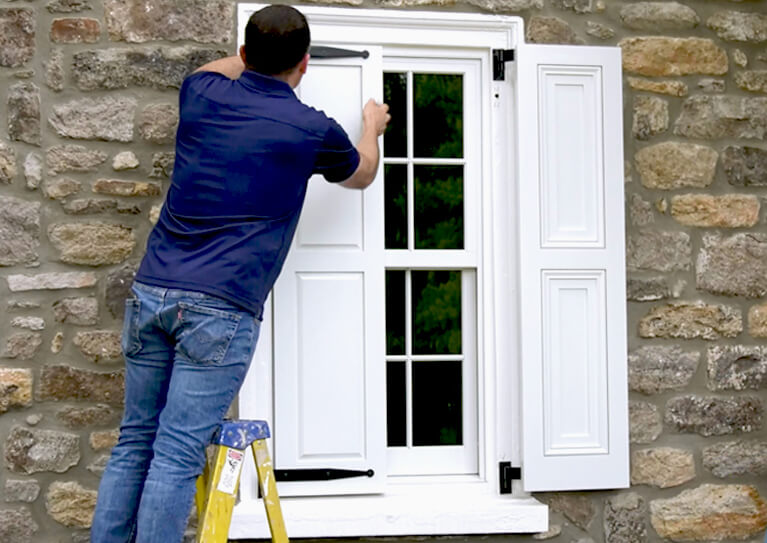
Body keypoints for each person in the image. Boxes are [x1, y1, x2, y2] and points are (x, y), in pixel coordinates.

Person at [90, 5, 390, 542]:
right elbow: (362, 173)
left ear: (246, 55)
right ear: (304, 63)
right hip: (219, 309)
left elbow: (219, 66)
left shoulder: (201, 94)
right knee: (177, 453)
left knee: (135, 440)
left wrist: (256, 56)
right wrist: (371, 127)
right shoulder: (311, 129)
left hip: (152, 292)